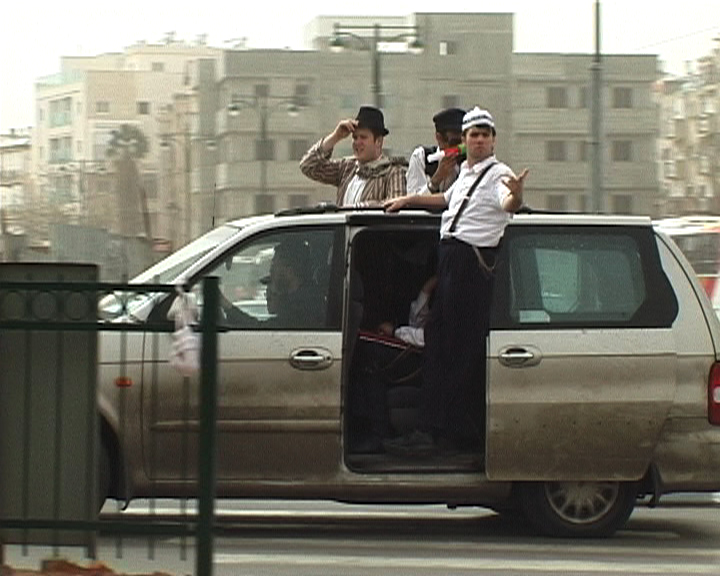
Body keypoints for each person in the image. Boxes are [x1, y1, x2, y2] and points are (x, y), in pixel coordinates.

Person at [383, 107, 529, 457]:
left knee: (457, 351)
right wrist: (408, 199)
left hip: (469, 265)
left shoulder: (499, 174)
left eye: (485, 135)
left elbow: (507, 204)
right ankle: (442, 431)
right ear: (464, 140)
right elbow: (446, 200)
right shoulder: (465, 173)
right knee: (443, 348)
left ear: (493, 141)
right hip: (451, 260)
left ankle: (445, 433)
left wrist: (517, 195)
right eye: (473, 135)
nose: (479, 140)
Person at [349, 276, 437, 453]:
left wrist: (396, 332)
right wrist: (427, 289)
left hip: (432, 364)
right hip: (421, 352)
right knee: (364, 349)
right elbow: (417, 323)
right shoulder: (444, 284)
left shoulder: (459, 293)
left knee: (371, 359)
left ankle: (379, 434)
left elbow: (431, 337)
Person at [299, 106, 408, 206]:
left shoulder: (393, 172)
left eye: (363, 137)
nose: (357, 142)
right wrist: (336, 136)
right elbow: (308, 166)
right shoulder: (347, 168)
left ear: (378, 141)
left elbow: (395, 206)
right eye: (355, 137)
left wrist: (364, 207)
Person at [220, 239, 325, 329]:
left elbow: (261, 330)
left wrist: (226, 305)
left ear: (289, 271)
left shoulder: (303, 306)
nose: (270, 271)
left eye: (274, 265)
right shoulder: (301, 297)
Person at [406, 107, 465, 196]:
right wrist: (435, 181)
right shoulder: (421, 157)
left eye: (463, 142)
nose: (459, 147)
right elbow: (412, 200)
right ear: (439, 138)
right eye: (454, 142)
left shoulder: (469, 160)